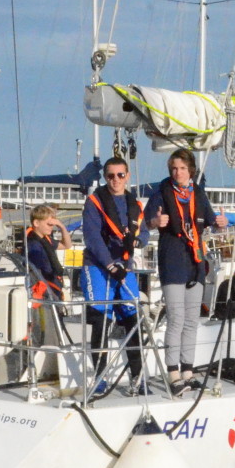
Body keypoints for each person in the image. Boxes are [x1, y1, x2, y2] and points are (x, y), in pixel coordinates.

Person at [145, 149, 227, 392]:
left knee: (192, 320)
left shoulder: (198, 193)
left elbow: (211, 221)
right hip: (172, 260)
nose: (177, 173)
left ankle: (188, 371)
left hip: (195, 261)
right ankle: (173, 374)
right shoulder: (161, 192)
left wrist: (220, 224)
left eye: (182, 168)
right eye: (174, 168)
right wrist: (155, 222)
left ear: (190, 170)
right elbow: (148, 220)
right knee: (176, 318)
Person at [82, 157, 147, 387]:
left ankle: (137, 377)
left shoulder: (134, 204)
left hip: (125, 265)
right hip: (99, 267)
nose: (115, 180)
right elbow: (92, 237)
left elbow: (143, 231)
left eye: (120, 175)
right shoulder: (94, 202)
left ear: (127, 176)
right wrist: (110, 265)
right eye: (110, 176)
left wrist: (138, 241)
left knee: (133, 318)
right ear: (105, 177)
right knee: (101, 320)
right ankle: (100, 378)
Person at [25, 205, 73, 381]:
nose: (51, 227)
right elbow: (42, 270)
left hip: (52, 290)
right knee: (44, 329)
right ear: (36, 223)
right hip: (43, 292)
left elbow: (67, 245)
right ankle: (40, 366)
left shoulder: (46, 239)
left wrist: (62, 227)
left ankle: (54, 364)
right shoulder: (33, 245)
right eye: (49, 224)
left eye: (53, 224)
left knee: (55, 327)